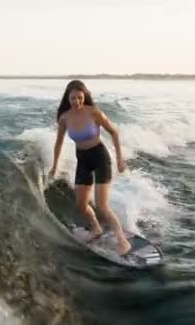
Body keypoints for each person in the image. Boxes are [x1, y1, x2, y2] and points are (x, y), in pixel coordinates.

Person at [48, 80, 132, 255]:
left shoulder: (94, 113)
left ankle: (123, 241)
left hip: (100, 157)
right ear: (68, 98)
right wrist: (54, 166)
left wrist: (120, 159)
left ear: (84, 96)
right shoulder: (65, 118)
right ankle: (96, 228)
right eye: (73, 98)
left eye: (80, 97)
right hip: (83, 160)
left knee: (102, 205)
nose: (76, 101)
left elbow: (114, 132)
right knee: (81, 205)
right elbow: (58, 143)